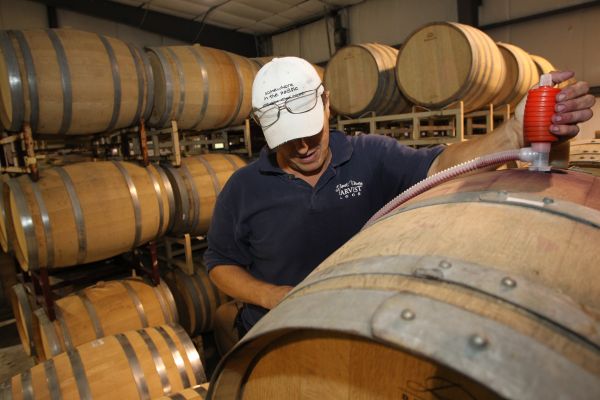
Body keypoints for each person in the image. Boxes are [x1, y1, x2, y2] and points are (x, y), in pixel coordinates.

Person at [204, 56, 595, 340]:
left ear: (327, 104)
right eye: (289, 139)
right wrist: (270, 296)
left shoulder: (372, 156)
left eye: (311, 130)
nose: (304, 146)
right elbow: (221, 263)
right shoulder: (243, 188)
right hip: (276, 332)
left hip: (361, 328)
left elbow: (444, 163)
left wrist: (512, 133)